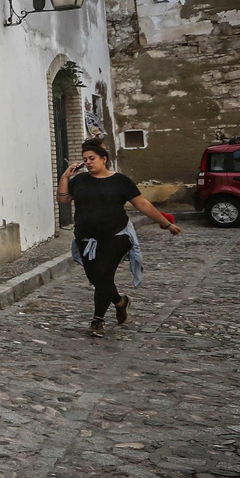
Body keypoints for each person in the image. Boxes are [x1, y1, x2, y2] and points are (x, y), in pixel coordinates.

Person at [57, 137, 182, 337]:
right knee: (96, 278)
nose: (88, 162)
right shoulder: (79, 181)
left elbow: (142, 205)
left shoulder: (120, 181)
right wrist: (65, 177)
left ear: (103, 159)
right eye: (85, 159)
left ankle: (97, 321)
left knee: (104, 274)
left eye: (92, 158)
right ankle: (120, 302)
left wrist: (166, 223)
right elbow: (63, 200)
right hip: (86, 238)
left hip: (116, 235)